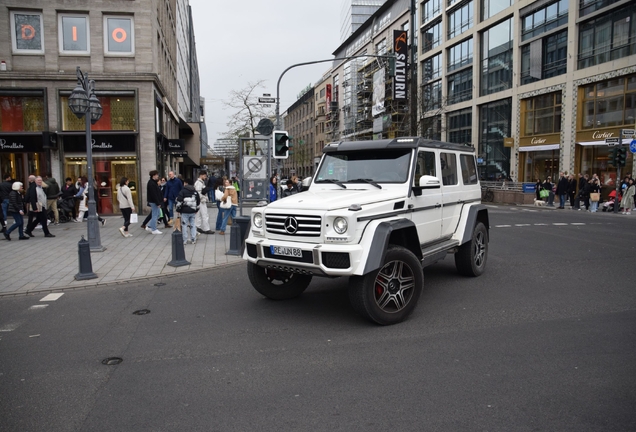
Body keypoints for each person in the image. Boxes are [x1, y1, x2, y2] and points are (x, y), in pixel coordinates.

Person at [175, 178, 200, 244]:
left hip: (184, 211)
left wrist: (178, 209)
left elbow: (179, 201)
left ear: (186, 183)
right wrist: (196, 209)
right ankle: (193, 239)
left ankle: (185, 240)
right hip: (192, 211)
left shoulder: (182, 191)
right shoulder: (195, 191)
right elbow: (198, 201)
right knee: (193, 224)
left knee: (184, 225)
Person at [194, 170, 214, 234]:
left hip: (199, 201)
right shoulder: (199, 183)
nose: (205, 177)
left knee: (198, 215)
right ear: (201, 175)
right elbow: (198, 193)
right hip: (201, 201)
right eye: (205, 176)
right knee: (205, 215)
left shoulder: (199, 182)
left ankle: (197, 227)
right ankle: (206, 229)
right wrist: (203, 198)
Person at [146, 170, 163, 234]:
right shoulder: (151, 183)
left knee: (157, 214)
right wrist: (158, 203)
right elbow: (154, 194)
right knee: (155, 215)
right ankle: (154, 229)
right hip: (154, 201)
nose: (158, 176)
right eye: (157, 175)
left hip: (154, 201)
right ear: (154, 175)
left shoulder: (153, 182)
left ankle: (150, 226)